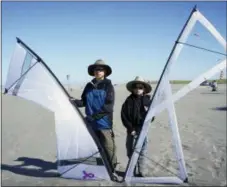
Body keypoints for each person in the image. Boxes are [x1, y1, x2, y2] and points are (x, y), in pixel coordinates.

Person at [70, 59, 119, 180]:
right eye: (96, 69)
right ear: (93, 72)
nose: (98, 71)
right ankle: (98, 167)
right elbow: (83, 102)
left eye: (101, 69)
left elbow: (108, 107)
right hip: (91, 123)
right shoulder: (88, 86)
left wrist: (94, 116)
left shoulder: (108, 86)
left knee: (108, 147)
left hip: (104, 123)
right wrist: (73, 101)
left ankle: (112, 169)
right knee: (93, 147)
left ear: (105, 72)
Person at [121, 76, 155, 177]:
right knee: (130, 151)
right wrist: (131, 129)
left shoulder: (148, 100)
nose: (138, 89)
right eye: (136, 87)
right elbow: (124, 116)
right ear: (132, 89)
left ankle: (141, 172)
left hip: (143, 130)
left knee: (142, 151)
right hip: (131, 130)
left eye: (140, 87)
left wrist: (148, 118)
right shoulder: (128, 101)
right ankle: (132, 170)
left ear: (144, 89)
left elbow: (152, 116)